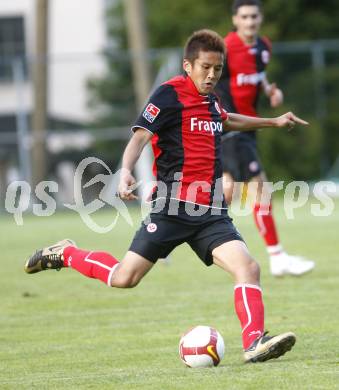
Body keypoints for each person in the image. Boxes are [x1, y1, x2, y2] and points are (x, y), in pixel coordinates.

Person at [24, 29, 303, 363]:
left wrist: (273, 122)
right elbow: (140, 137)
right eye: (205, 67)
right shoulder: (169, 95)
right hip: (171, 210)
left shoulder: (211, 100)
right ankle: (67, 253)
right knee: (124, 278)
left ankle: (254, 342)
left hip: (211, 213)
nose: (212, 75)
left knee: (248, 267)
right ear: (188, 65)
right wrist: (126, 170)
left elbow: (227, 120)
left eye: (217, 68)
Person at [214, 0, 315, 277]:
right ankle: (277, 256)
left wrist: (271, 91)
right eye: (244, 17)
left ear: (261, 18)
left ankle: (176, 225)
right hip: (231, 127)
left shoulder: (263, 47)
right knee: (261, 189)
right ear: (235, 20)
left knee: (227, 190)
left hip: (250, 126)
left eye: (254, 16)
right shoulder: (223, 48)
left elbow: (258, 78)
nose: (250, 22)